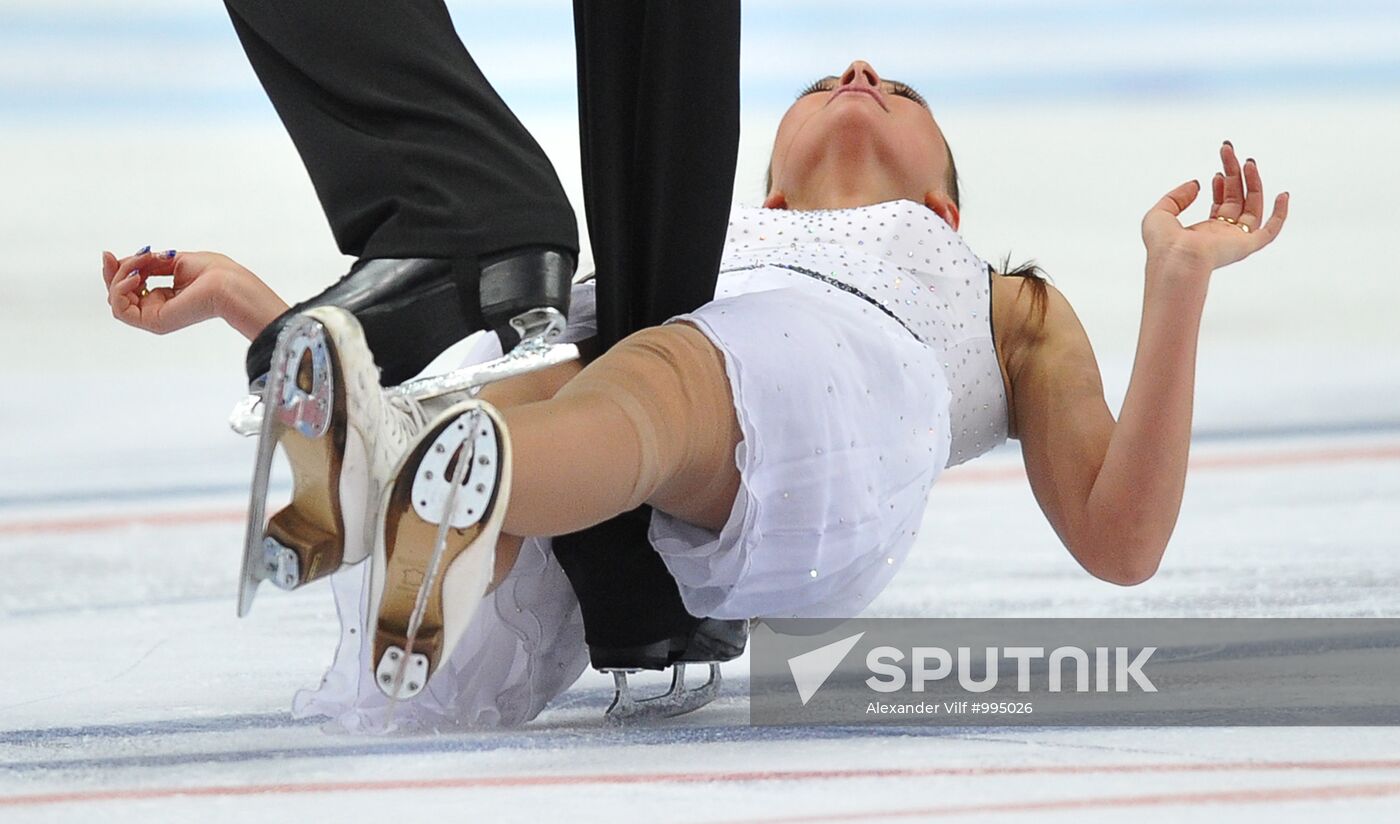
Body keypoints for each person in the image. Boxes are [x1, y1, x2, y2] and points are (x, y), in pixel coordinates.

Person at [103, 59, 1288, 729]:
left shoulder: (993, 296)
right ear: (763, 191)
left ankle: (425, 466)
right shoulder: (694, 242)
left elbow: (1120, 538)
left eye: (899, 89)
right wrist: (257, 304)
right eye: (829, 75)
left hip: (837, 432)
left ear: (943, 207)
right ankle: (407, 478)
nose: (863, 73)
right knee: (557, 361)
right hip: (603, 491)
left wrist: (1174, 283)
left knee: (652, 370)